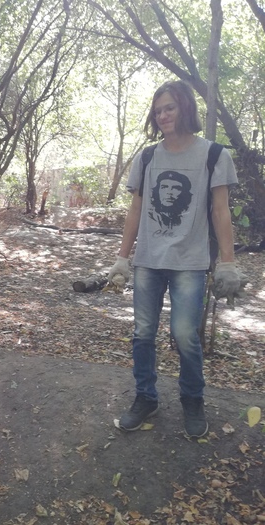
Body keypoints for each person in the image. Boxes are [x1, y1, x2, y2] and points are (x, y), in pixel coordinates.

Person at [108, 80, 242, 438]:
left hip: (190, 262)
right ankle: (145, 397)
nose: (163, 115)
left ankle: (192, 400)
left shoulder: (214, 155)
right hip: (149, 261)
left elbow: (220, 211)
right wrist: (122, 258)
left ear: (185, 107)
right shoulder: (147, 157)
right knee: (142, 333)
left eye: (169, 107)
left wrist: (227, 262)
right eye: (158, 111)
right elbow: (136, 208)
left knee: (185, 334)